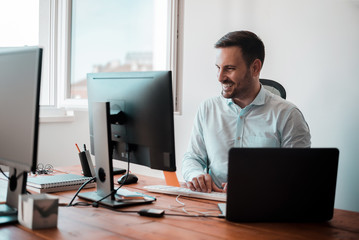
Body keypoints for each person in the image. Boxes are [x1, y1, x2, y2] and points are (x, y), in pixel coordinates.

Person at [182, 31, 311, 193]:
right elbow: (192, 158)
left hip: (265, 206)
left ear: (255, 68)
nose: (220, 77)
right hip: (211, 202)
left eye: (229, 69)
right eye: (218, 68)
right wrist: (196, 174)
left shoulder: (288, 115)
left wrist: (256, 184)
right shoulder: (207, 108)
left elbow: (299, 176)